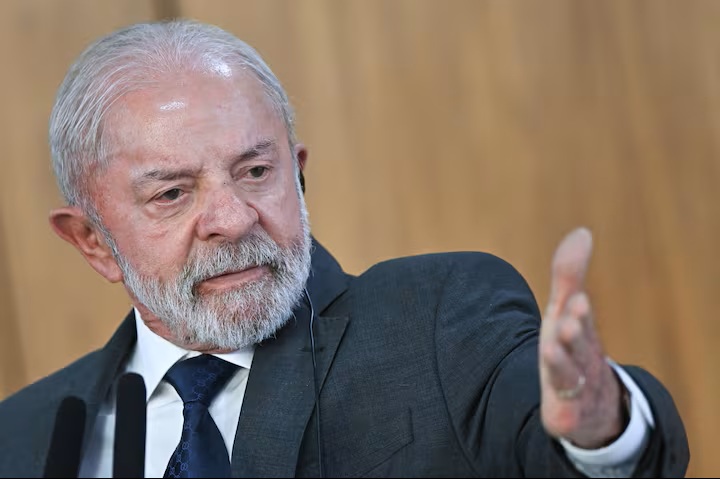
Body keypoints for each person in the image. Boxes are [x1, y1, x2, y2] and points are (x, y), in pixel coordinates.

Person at [0, 19, 688, 478]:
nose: (233, 219)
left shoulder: (438, 323)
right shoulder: (22, 439)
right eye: (173, 193)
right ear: (92, 241)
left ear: (297, 173)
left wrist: (600, 427)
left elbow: (560, 443)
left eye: (255, 171)